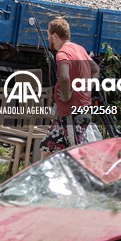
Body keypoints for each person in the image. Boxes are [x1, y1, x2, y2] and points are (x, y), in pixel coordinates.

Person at [40, 17, 99, 154]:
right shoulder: (80, 49)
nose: (48, 38)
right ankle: (42, 175)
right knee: (46, 149)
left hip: (72, 114)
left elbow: (65, 77)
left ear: (55, 36)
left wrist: (66, 96)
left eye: (48, 35)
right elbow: (95, 69)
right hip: (71, 113)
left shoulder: (62, 54)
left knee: (77, 153)